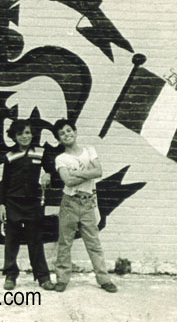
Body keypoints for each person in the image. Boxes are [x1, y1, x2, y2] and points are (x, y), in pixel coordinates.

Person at [52, 118, 117, 293]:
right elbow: (68, 181)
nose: (66, 134)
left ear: (74, 131)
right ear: (59, 139)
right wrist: (89, 173)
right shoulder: (60, 158)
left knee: (94, 243)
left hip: (88, 202)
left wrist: (77, 173)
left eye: (68, 130)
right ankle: (62, 279)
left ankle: (104, 279)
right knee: (65, 243)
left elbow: (99, 171)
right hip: (69, 203)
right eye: (62, 134)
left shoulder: (89, 151)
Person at [0, 119, 55, 291]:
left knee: (35, 240)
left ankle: (43, 277)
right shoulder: (10, 156)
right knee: (11, 241)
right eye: (21, 133)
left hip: (34, 203)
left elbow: (52, 170)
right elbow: (4, 183)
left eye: (28, 133)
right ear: (14, 136)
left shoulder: (41, 152)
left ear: (33, 135)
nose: (25, 136)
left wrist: (49, 175)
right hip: (13, 202)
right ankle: (10, 275)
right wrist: (2, 204)